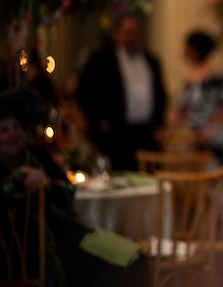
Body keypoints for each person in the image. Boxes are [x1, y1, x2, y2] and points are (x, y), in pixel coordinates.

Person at [0, 88, 149, 287]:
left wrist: (47, 184)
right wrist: (19, 179)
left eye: (16, 127)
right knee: (103, 270)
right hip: (22, 253)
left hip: (64, 233)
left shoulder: (38, 156)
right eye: (4, 130)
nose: (12, 134)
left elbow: (69, 191)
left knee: (137, 259)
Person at [74, 12, 167, 171]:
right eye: (127, 33)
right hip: (116, 135)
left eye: (135, 33)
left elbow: (160, 94)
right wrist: (98, 121)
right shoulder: (101, 59)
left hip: (146, 134)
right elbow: (83, 92)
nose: (131, 38)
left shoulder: (151, 60)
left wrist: (159, 124)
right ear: (118, 33)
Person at [169, 30, 223, 165]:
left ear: (195, 50)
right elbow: (181, 110)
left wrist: (210, 130)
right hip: (196, 138)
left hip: (214, 138)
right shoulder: (189, 79)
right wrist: (168, 130)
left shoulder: (215, 77)